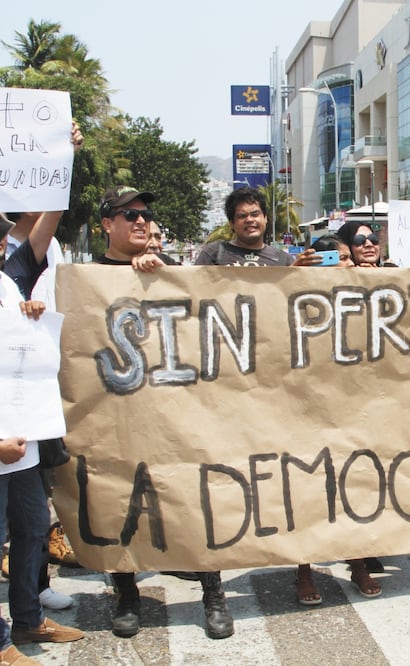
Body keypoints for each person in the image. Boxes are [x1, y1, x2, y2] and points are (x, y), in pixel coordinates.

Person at [95, 185, 235, 639]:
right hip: (114, 417)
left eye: (144, 214)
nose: (140, 220)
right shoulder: (84, 277)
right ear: (106, 225)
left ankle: (213, 593)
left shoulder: (171, 274)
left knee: (194, 498)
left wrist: (163, 275)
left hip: (177, 413)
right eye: (128, 214)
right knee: (119, 502)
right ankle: (127, 593)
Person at [0, 212, 85, 660]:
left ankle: (29, 621)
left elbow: (39, 236)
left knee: (32, 530)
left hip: (25, 445)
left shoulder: (7, 286)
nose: (0, 248)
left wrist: (30, 315)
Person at [293, 233, 382, 605]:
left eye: (345, 257)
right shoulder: (296, 297)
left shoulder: (369, 292)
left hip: (356, 406)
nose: (340, 263)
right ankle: (303, 569)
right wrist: (292, 275)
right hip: (306, 406)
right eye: (330, 258)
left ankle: (358, 563)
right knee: (306, 490)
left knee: (356, 486)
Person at [194, 187, 319, 267]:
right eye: (242, 216)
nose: (249, 220)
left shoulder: (284, 260)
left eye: (255, 214)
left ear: (265, 218)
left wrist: (293, 272)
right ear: (232, 223)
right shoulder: (213, 254)